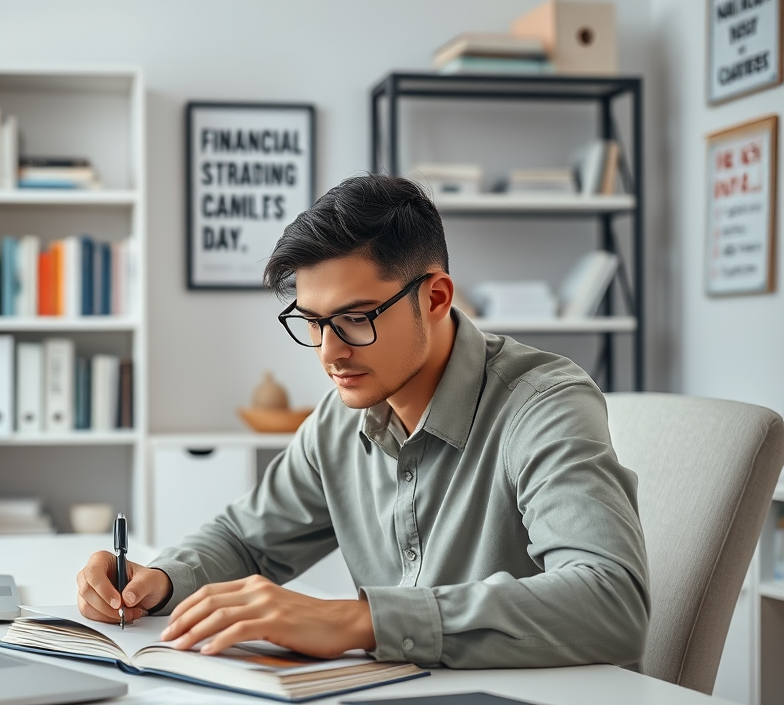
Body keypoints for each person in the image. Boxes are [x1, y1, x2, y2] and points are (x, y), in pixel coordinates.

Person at [77, 173, 650, 669]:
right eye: (312, 321)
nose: (328, 352)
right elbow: (246, 539)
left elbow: (611, 603)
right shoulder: (339, 419)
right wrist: (162, 580)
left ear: (436, 297)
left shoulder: (543, 406)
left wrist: (360, 622)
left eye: (353, 318)